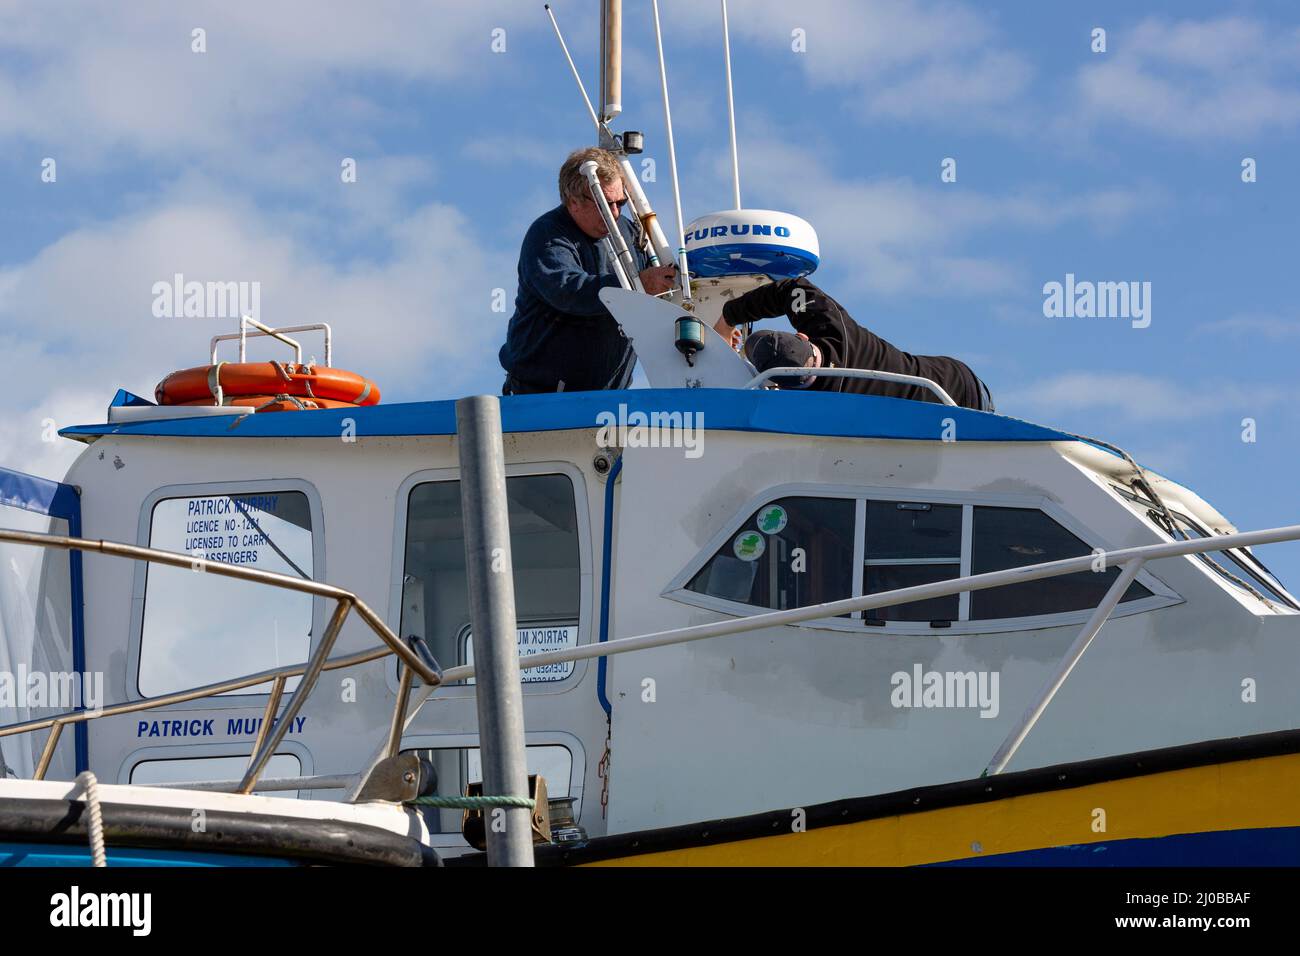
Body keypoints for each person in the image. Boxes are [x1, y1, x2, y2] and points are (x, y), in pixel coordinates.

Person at [499, 147, 679, 394]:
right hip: (540, 397)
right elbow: (569, 291)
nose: (614, 214)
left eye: (621, 203)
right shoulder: (547, 235)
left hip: (609, 397)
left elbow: (660, 293)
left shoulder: (631, 233)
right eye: (605, 205)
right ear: (573, 202)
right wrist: (639, 287)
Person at [721, 277, 994, 411]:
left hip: (956, 418)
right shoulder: (833, 327)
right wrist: (727, 318)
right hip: (956, 377)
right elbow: (789, 289)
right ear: (802, 336)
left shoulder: (821, 409)